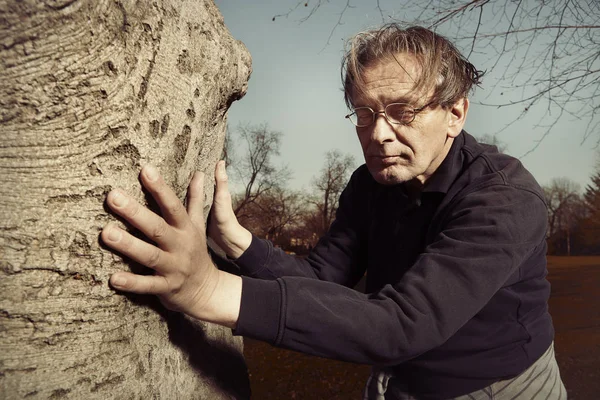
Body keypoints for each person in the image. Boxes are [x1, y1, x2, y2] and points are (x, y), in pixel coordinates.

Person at [101, 24, 567, 399]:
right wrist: (236, 241)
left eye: (401, 111)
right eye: (365, 114)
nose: (378, 133)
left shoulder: (504, 197)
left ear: (456, 113)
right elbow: (324, 280)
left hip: (502, 388)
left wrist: (208, 289)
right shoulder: (369, 183)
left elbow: (400, 323)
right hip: (395, 381)